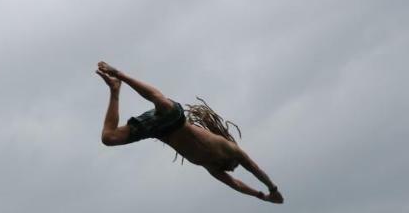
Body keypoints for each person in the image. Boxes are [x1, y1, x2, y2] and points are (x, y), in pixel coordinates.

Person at [96, 61, 283, 203]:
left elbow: (236, 184)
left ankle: (114, 89)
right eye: (236, 166)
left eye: (234, 169)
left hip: (159, 131)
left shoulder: (212, 167)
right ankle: (120, 75)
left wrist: (262, 196)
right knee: (160, 101)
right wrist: (272, 188)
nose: (235, 169)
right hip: (176, 119)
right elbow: (254, 168)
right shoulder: (229, 149)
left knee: (109, 138)